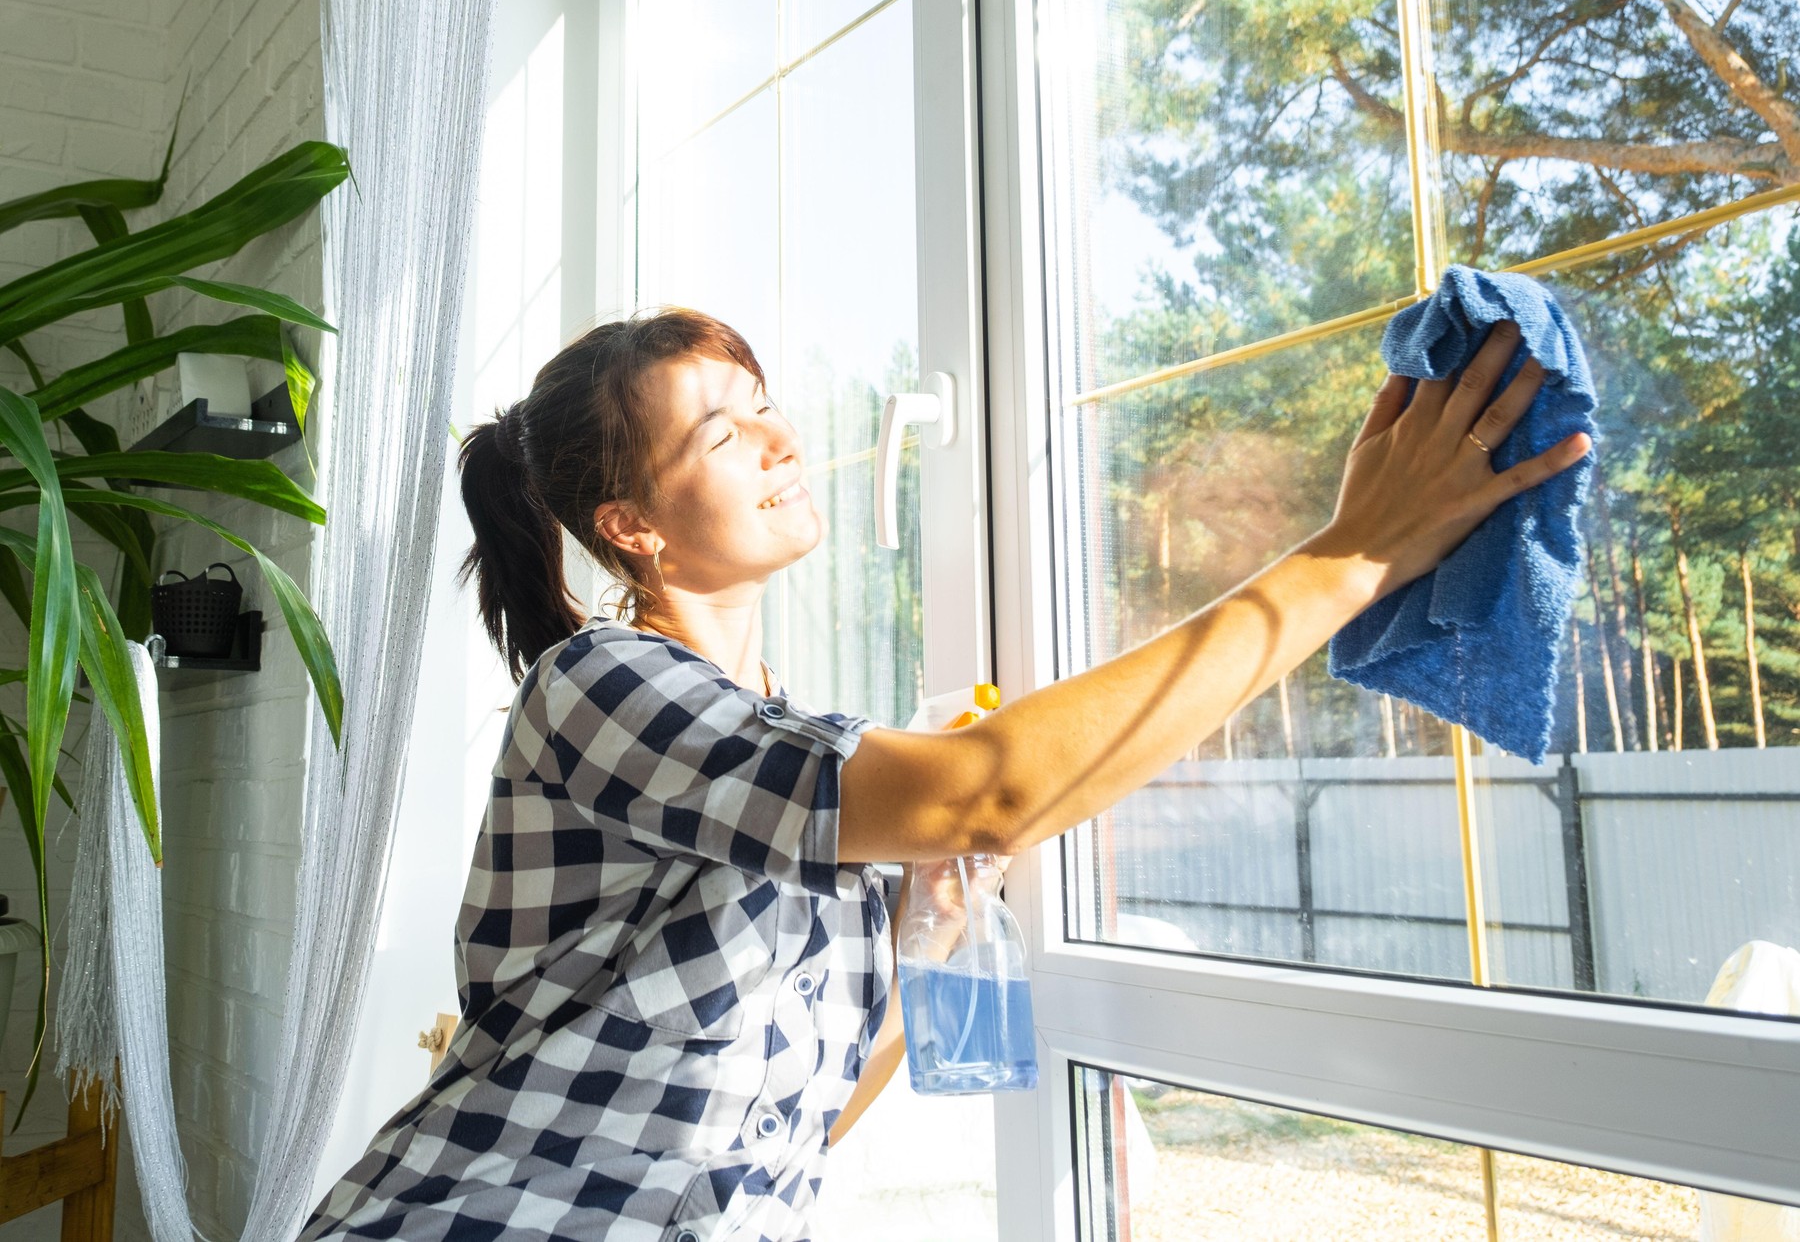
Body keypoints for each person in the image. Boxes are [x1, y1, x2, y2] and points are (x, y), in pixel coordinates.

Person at [300, 306, 1589, 1242]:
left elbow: (788, 1118)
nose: (774, 439)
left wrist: (933, 927)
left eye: (763, 407)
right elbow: (994, 785)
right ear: (631, 527)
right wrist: (1358, 553)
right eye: (718, 431)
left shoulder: (792, 764)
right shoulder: (597, 685)